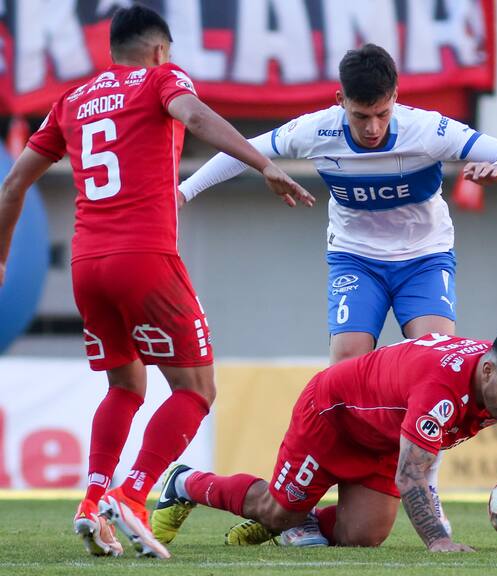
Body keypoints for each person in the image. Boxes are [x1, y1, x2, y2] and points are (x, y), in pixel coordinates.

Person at [177, 43, 497, 535]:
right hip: (355, 260)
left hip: (424, 260)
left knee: (437, 369)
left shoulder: (426, 128)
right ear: (340, 99)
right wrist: (181, 193)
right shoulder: (315, 130)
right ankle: (300, 502)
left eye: (382, 113)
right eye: (361, 115)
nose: (372, 127)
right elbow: (241, 151)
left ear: (396, 99)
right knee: (345, 373)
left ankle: (426, 499)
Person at [0, 5, 314, 559]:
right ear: (160, 50)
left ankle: (93, 501)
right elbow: (193, 118)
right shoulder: (161, 78)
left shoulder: (71, 101)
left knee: (125, 386)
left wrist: (2, 259)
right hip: (144, 258)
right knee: (196, 391)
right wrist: (260, 162)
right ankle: (135, 493)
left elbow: (13, 186)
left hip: (85, 265)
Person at [151, 329, 497, 552]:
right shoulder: (440, 389)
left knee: (363, 537)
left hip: (384, 438)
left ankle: (302, 521)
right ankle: (185, 483)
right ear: (488, 371)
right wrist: (437, 539)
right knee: (276, 510)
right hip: (333, 416)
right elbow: (413, 473)